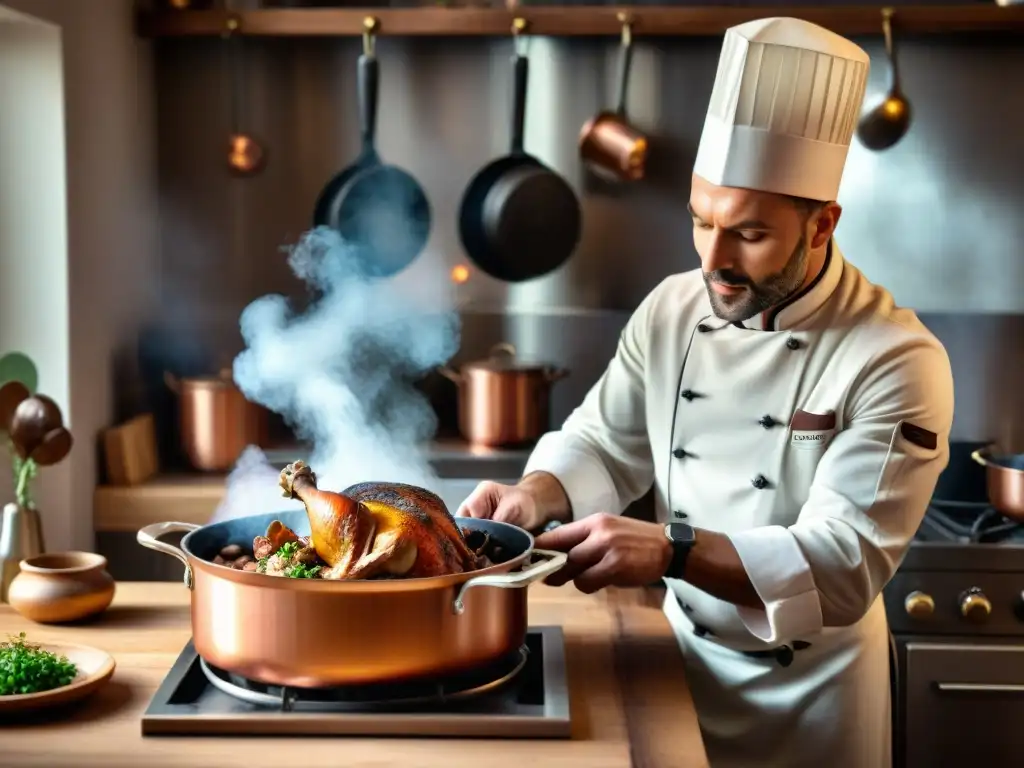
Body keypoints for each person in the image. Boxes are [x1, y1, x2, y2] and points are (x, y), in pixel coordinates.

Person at [457, 16, 954, 768]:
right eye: (701, 222)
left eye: (749, 234)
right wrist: (539, 492)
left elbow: (842, 565)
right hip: (676, 668)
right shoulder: (673, 309)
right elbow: (604, 438)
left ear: (822, 224)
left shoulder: (895, 357)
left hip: (811, 706)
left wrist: (670, 551)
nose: (714, 259)